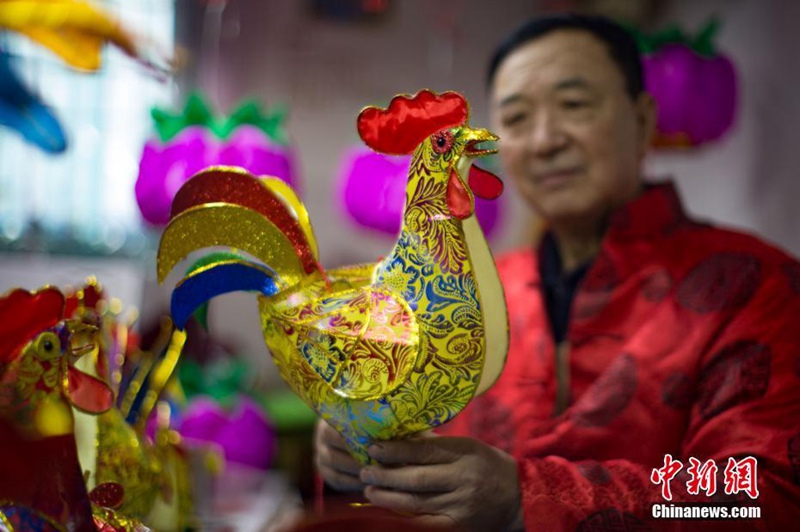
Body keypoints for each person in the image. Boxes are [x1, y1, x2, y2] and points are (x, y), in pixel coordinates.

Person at [314, 14, 800, 531]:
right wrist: (356, 447)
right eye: (517, 118)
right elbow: (414, 444)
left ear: (642, 120)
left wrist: (528, 497)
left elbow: (762, 495)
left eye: (574, 105)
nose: (544, 140)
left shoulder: (757, 285)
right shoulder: (471, 293)